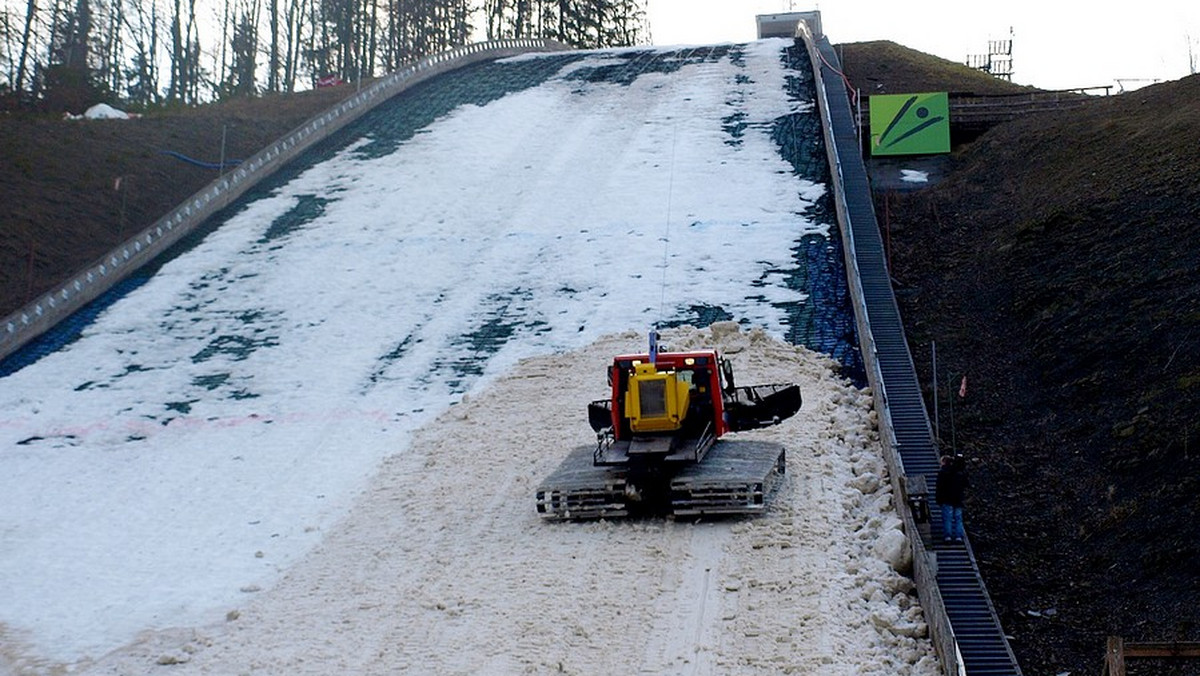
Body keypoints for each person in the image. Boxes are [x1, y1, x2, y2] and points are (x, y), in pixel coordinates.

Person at [936, 454, 969, 543]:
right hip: (958, 499)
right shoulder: (960, 472)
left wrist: (939, 499)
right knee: (958, 519)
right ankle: (959, 536)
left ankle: (948, 536)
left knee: (948, 518)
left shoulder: (944, 472)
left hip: (947, 499)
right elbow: (965, 484)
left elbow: (940, 487)